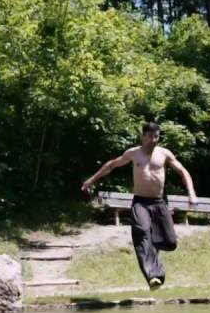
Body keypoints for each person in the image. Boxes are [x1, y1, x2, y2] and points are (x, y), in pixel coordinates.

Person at [81, 122, 197, 289]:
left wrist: (191, 193)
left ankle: (154, 260)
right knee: (142, 233)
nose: (153, 140)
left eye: (156, 137)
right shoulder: (133, 153)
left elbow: (183, 171)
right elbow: (111, 165)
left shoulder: (164, 154)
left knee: (170, 242)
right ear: (142, 137)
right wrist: (91, 180)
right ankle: (153, 276)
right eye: (150, 136)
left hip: (159, 202)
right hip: (140, 202)